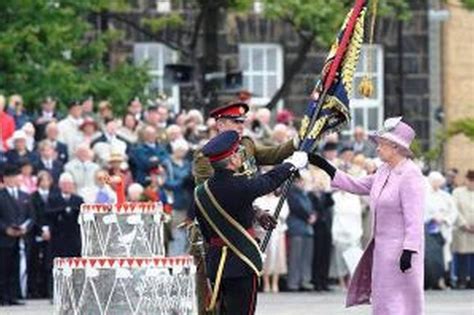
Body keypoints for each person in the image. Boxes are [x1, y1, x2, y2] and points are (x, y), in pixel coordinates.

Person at [312, 117, 425, 315]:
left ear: (396, 147)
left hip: (402, 253)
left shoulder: (410, 174)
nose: (377, 148)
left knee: (402, 304)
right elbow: (356, 185)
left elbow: (414, 218)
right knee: (383, 302)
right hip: (382, 251)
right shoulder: (383, 171)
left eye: (381, 144)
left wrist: (409, 250)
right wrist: (325, 165)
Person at [193, 130, 308, 314]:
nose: (240, 155)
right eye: (238, 153)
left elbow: (207, 230)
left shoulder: (201, 191)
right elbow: (268, 181)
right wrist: (291, 165)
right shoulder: (239, 185)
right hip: (241, 262)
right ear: (232, 160)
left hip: (216, 262)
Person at [0, 165, 33, 306]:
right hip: (3, 238)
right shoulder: (1, 195)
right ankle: (2, 296)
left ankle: (13, 295)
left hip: (20, 237)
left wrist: (25, 228)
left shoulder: (25, 195)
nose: (14, 179)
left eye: (16, 176)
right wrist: (5, 229)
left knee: (15, 267)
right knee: (3, 267)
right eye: (11, 177)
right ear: (5, 179)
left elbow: (31, 216)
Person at [424, 171, 458, 290]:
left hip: (443, 229)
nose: (437, 184)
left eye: (439, 182)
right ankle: (433, 280)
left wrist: (445, 219)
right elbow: (421, 213)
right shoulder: (424, 196)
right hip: (430, 231)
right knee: (433, 258)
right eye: (435, 182)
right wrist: (431, 218)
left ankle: (444, 279)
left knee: (445, 256)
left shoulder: (445, 196)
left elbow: (453, 211)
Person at [286, 172, 317, 292]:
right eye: (301, 181)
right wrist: (308, 216)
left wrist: (314, 215)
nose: (303, 183)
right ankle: (293, 283)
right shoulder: (292, 193)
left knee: (306, 257)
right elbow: (296, 208)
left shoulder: (305, 194)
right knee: (295, 257)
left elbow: (312, 207)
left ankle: (305, 280)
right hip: (297, 228)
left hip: (307, 229)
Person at [452, 170, 474, 289]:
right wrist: (464, 224)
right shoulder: (457, 192)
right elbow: (454, 210)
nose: (471, 183)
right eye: (469, 180)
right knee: (462, 256)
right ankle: (462, 280)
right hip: (462, 230)